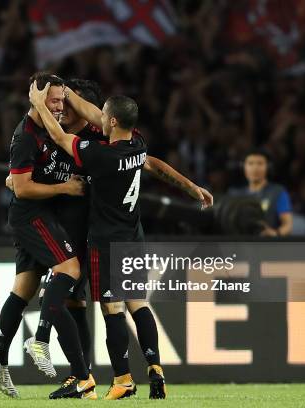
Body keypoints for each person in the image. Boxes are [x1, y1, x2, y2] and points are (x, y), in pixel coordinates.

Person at [29, 81, 213, 400]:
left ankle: (123, 379)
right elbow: (154, 164)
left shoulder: (101, 154)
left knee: (112, 309)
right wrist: (191, 187)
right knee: (138, 303)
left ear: (111, 121)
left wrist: (39, 104)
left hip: (107, 239)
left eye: (105, 116)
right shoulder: (137, 145)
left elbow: (60, 137)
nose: (98, 118)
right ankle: (155, 367)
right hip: (133, 234)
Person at [0, 72, 95, 400]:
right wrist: (66, 187)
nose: (60, 106)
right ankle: (41, 340)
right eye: (55, 100)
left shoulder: (48, 128)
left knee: (24, 288)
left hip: (35, 214)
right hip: (32, 217)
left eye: (64, 100)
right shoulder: (26, 135)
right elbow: (22, 187)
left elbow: (18, 179)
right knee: (69, 269)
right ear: (36, 98)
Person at [229, 149, 293, 236]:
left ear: (268, 167)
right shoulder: (234, 194)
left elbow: (288, 225)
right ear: (243, 167)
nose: (255, 168)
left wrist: (275, 233)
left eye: (260, 163)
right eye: (250, 163)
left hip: (267, 244)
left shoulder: (278, 192)